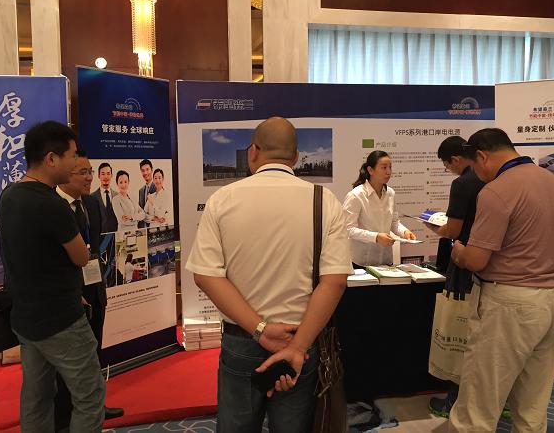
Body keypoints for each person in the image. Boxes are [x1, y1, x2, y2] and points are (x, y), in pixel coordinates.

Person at [186, 117, 352, 432]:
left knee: (236, 427)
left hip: (242, 340)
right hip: (300, 340)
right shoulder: (324, 200)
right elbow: (335, 282)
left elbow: (206, 276)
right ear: (296, 157)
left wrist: (260, 330)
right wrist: (297, 347)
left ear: (253, 152)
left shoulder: (222, 199)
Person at [448, 128, 554, 433]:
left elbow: (476, 260)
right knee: (532, 405)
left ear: (481, 156)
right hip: (552, 299)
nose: (477, 174)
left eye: (474, 166)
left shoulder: (496, 191)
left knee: (478, 405)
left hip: (507, 305)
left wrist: (459, 252)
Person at [0, 121, 105, 433]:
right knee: (89, 395)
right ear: (51, 159)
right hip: (62, 321)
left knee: (37, 397)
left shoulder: (10, 195)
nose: (76, 163)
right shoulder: (52, 205)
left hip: (26, 320)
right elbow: (81, 257)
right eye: (72, 156)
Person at [54, 151, 124, 430]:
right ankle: (65, 416)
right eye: (82, 172)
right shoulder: (52, 206)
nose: (89, 177)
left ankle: (95, 405)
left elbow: (94, 247)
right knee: (68, 360)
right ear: (64, 174)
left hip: (94, 286)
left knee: (94, 349)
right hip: (68, 293)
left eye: (90, 171)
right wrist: (73, 289)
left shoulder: (92, 203)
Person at [425, 136, 485, 418]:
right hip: (492, 266)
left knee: (462, 333)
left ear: (456, 160)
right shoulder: (494, 179)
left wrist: (435, 227)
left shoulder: (463, 183)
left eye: (446, 165)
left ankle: (455, 402)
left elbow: (453, 230)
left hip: (465, 263)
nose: (448, 170)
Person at [342, 150, 416, 267]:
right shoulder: (356, 195)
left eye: (390, 167)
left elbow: (394, 222)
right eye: (384, 167)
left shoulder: (390, 193)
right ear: (370, 170)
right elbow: (348, 229)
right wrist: (376, 237)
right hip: (361, 262)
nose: (388, 172)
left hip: (385, 261)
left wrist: (405, 232)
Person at [91, 162, 118, 233]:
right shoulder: (92, 197)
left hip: (116, 235)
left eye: (108, 174)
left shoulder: (118, 196)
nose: (106, 177)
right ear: (99, 176)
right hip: (99, 236)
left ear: (111, 175)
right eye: (103, 174)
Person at [138, 160, 156, 227]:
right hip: (143, 227)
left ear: (152, 170)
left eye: (147, 169)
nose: (145, 173)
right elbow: (140, 210)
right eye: (143, 170)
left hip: (155, 225)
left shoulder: (158, 187)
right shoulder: (141, 191)